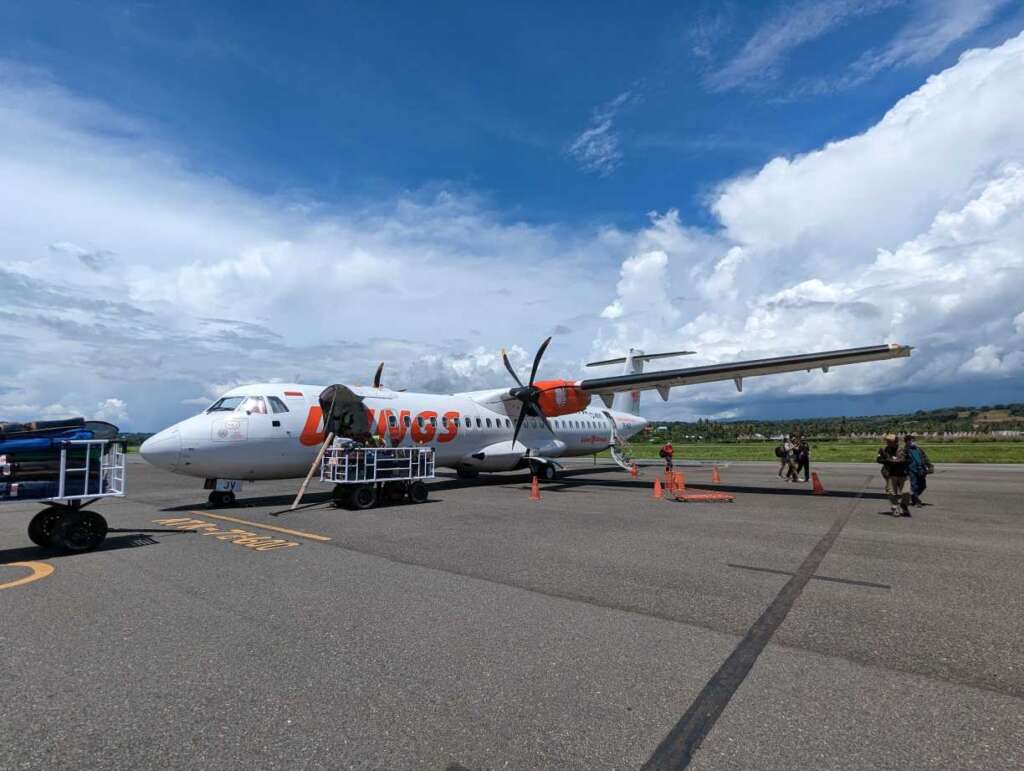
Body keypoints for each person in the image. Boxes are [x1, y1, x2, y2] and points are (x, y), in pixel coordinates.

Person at [877, 433, 911, 516]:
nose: (888, 442)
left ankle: (904, 505)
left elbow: (909, 460)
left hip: (903, 474)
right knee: (891, 492)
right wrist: (888, 461)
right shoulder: (884, 450)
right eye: (887, 441)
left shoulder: (904, 449)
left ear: (895, 441)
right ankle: (895, 507)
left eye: (890, 441)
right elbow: (878, 459)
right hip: (891, 474)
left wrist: (901, 462)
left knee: (906, 492)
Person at [904, 434, 932, 506]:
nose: (912, 442)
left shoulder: (919, 449)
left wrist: (929, 465)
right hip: (911, 470)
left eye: (913, 440)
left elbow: (925, 458)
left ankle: (914, 496)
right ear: (906, 442)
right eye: (910, 440)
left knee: (923, 486)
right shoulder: (905, 451)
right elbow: (902, 461)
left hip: (921, 469)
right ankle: (916, 501)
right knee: (914, 486)